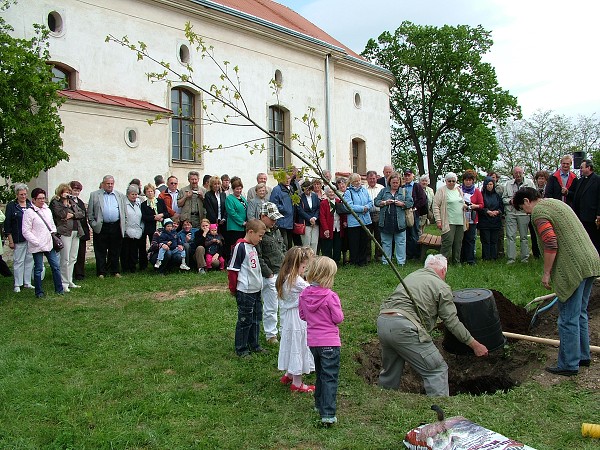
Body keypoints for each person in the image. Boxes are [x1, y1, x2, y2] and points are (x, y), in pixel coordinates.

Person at [513, 188, 600, 376]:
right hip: (591, 260)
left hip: (574, 266)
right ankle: (583, 356)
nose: (526, 213)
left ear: (527, 201)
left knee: (568, 318)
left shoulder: (539, 213)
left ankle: (569, 364)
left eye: (523, 208)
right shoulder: (556, 203)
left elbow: (551, 242)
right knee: (581, 313)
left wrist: (546, 273)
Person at [377, 254, 489, 396]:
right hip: (405, 328)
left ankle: (383, 399)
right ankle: (441, 411)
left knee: (390, 372)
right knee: (437, 369)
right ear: (443, 271)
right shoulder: (441, 286)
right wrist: (475, 345)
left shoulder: (412, 276)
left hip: (384, 321)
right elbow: (451, 321)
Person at [299, 256, 344, 426]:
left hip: (314, 342)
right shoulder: (330, 296)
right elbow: (338, 318)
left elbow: (303, 315)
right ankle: (328, 413)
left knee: (320, 374)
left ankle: (318, 404)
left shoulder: (304, 294)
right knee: (329, 377)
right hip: (330, 342)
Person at [276, 246, 315, 393]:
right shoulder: (296, 280)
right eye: (304, 266)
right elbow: (311, 290)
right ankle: (297, 383)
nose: (304, 269)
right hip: (297, 317)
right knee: (298, 346)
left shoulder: (284, 276)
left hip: (289, 317)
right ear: (296, 265)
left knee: (291, 344)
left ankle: (289, 374)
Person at [227, 219, 267, 357]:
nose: (261, 239)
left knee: (256, 318)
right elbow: (233, 270)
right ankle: (241, 348)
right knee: (245, 320)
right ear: (250, 232)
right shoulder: (240, 247)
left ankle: (254, 344)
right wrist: (233, 288)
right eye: (260, 235)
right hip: (245, 291)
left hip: (256, 290)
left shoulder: (253, 247)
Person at [22, 188, 65, 298]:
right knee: (38, 269)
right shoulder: (29, 212)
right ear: (34, 199)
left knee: (55, 266)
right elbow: (26, 231)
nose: (42, 201)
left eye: (43, 198)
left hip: (49, 243)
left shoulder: (47, 210)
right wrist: (36, 241)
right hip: (37, 245)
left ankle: (59, 289)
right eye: (39, 199)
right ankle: (39, 292)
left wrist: (53, 233)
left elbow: (51, 224)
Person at [256, 202, 287, 345]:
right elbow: (258, 256)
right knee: (271, 306)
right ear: (263, 216)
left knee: (285, 304)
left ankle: (285, 330)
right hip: (270, 275)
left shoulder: (277, 230)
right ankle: (271, 335)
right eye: (272, 218)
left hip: (282, 272)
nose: (275, 220)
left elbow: (283, 248)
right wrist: (268, 274)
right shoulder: (258, 233)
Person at [87, 175, 127, 278]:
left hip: (116, 226)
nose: (110, 185)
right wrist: (93, 224)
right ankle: (101, 272)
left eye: (111, 183)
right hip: (101, 226)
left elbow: (124, 212)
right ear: (103, 184)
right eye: (107, 183)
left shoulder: (120, 195)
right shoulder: (95, 195)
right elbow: (90, 213)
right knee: (100, 251)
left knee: (115, 250)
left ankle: (115, 271)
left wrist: (123, 224)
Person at [49, 183, 85, 291]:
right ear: (60, 192)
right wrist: (65, 205)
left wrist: (73, 215)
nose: (68, 194)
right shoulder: (56, 202)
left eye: (69, 192)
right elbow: (61, 215)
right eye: (66, 192)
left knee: (73, 258)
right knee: (65, 258)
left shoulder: (72, 202)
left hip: (76, 231)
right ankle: (63, 283)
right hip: (65, 232)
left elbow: (82, 213)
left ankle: (69, 280)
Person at [374, 171, 413, 266]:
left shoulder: (404, 191)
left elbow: (410, 203)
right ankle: (386, 262)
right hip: (385, 221)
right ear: (389, 182)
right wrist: (384, 203)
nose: (395, 184)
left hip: (399, 222)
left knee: (400, 243)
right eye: (393, 182)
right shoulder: (384, 191)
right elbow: (376, 201)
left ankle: (401, 262)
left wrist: (402, 204)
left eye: (397, 182)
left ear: (400, 182)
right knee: (386, 242)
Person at [4, 183, 34, 292]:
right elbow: (7, 224)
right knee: (18, 261)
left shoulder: (30, 204)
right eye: (21, 194)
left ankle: (27, 282)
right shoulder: (12, 206)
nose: (23, 196)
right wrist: (10, 240)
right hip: (18, 237)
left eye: (25, 194)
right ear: (17, 195)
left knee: (29, 259)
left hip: (30, 237)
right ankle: (17, 283)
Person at [502, 166, 535, 264]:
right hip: (511, 212)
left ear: (523, 173)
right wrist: (510, 201)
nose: (518, 175)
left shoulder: (529, 183)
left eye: (520, 173)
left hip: (523, 213)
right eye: (516, 173)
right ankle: (511, 259)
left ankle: (525, 258)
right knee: (510, 236)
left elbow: (534, 197)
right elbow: (503, 199)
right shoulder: (508, 184)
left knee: (524, 236)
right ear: (513, 174)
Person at [433, 172, 466, 264]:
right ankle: (441, 263)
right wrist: (438, 220)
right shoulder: (441, 191)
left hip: (459, 220)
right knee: (447, 242)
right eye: (449, 181)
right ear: (446, 181)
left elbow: (461, 202)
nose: (451, 183)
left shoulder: (459, 190)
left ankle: (456, 261)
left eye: (453, 181)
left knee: (458, 243)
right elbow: (435, 206)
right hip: (448, 221)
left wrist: (464, 206)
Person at [570, 159, 600, 254]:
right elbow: (576, 194)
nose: (580, 170)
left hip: (591, 216)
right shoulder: (580, 180)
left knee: (594, 239)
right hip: (580, 215)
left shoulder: (597, 180)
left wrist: (599, 214)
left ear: (589, 168)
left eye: (582, 167)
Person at [343, 173, 372, 266]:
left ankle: (363, 260)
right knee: (354, 242)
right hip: (354, 221)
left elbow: (370, 201)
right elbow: (348, 206)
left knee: (364, 241)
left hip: (365, 220)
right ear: (351, 182)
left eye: (359, 180)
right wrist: (362, 209)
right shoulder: (348, 192)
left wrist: (367, 207)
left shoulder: (364, 190)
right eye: (355, 181)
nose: (358, 183)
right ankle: (354, 260)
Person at [459, 170, 483, 265]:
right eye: (466, 180)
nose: (468, 182)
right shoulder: (459, 190)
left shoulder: (476, 191)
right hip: (460, 218)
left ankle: (470, 259)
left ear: (473, 181)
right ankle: (460, 258)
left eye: (470, 180)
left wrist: (474, 206)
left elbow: (481, 205)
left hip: (472, 219)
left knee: (470, 239)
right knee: (461, 239)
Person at [140, 183, 170, 258]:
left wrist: (161, 215)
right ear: (145, 193)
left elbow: (167, 213)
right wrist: (154, 217)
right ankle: (154, 259)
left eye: (151, 191)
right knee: (154, 245)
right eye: (148, 192)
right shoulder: (144, 204)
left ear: (154, 192)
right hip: (151, 228)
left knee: (163, 243)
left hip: (162, 227)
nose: (150, 193)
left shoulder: (160, 201)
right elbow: (144, 217)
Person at [402, 169, 427, 260]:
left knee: (414, 233)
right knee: (406, 234)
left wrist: (415, 207)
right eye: (405, 175)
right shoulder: (402, 187)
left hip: (414, 213)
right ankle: (408, 254)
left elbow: (423, 199)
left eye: (409, 175)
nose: (407, 177)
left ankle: (416, 255)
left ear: (413, 176)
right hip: (404, 213)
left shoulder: (417, 186)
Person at [478, 176, 504, 260]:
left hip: (495, 221)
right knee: (486, 240)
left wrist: (497, 212)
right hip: (485, 221)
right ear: (485, 185)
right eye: (488, 184)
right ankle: (486, 257)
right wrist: (487, 211)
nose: (490, 186)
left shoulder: (497, 196)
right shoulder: (481, 195)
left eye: (491, 184)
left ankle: (494, 257)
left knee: (494, 240)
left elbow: (501, 207)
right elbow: (480, 207)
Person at [120, 184, 145, 273]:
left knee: (134, 251)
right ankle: (125, 268)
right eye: (132, 194)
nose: (134, 196)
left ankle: (133, 267)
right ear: (128, 194)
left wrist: (141, 228)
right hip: (127, 231)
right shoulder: (124, 204)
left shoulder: (139, 204)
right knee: (126, 251)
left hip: (137, 231)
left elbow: (141, 217)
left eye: (135, 194)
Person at [69, 181, 90, 281]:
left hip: (81, 230)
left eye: (78, 191)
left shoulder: (80, 202)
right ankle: (70, 272)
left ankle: (80, 273)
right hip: (71, 230)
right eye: (74, 190)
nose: (76, 193)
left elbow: (83, 215)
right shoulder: (67, 202)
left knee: (81, 253)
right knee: (71, 253)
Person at [319, 187, 346, 264]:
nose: (332, 193)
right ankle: (327, 263)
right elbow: (322, 217)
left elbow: (343, 213)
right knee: (327, 246)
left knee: (337, 246)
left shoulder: (338, 201)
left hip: (338, 227)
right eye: (330, 192)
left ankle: (336, 262)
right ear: (327, 193)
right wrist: (326, 229)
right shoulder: (323, 203)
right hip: (328, 228)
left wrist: (344, 221)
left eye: (333, 192)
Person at [270, 173, 295, 250]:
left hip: (290, 221)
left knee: (290, 244)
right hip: (282, 221)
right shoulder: (276, 189)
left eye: (288, 178)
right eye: (285, 179)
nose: (287, 180)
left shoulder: (291, 188)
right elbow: (273, 204)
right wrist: (284, 208)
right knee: (284, 244)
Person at [225, 177, 248, 257]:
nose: (239, 191)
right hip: (234, 227)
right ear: (233, 189)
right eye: (237, 189)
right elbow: (232, 213)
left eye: (240, 189)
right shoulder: (229, 199)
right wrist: (242, 222)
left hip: (243, 227)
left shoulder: (243, 198)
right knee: (235, 245)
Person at [297, 179, 320, 253]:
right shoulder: (300, 197)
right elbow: (300, 210)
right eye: (306, 190)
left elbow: (318, 208)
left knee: (314, 242)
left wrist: (314, 218)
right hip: (305, 223)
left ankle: (313, 260)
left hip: (315, 222)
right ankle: (306, 260)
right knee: (306, 243)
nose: (308, 191)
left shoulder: (315, 196)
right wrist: (309, 218)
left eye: (309, 190)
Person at [365, 170, 383, 263]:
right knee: (367, 236)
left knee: (378, 236)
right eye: (370, 178)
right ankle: (367, 256)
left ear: (377, 178)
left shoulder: (381, 188)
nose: (372, 180)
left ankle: (378, 255)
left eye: (374, 178)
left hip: (378, 214)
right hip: (367, 214)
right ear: (367, 179)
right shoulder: (363, 188)